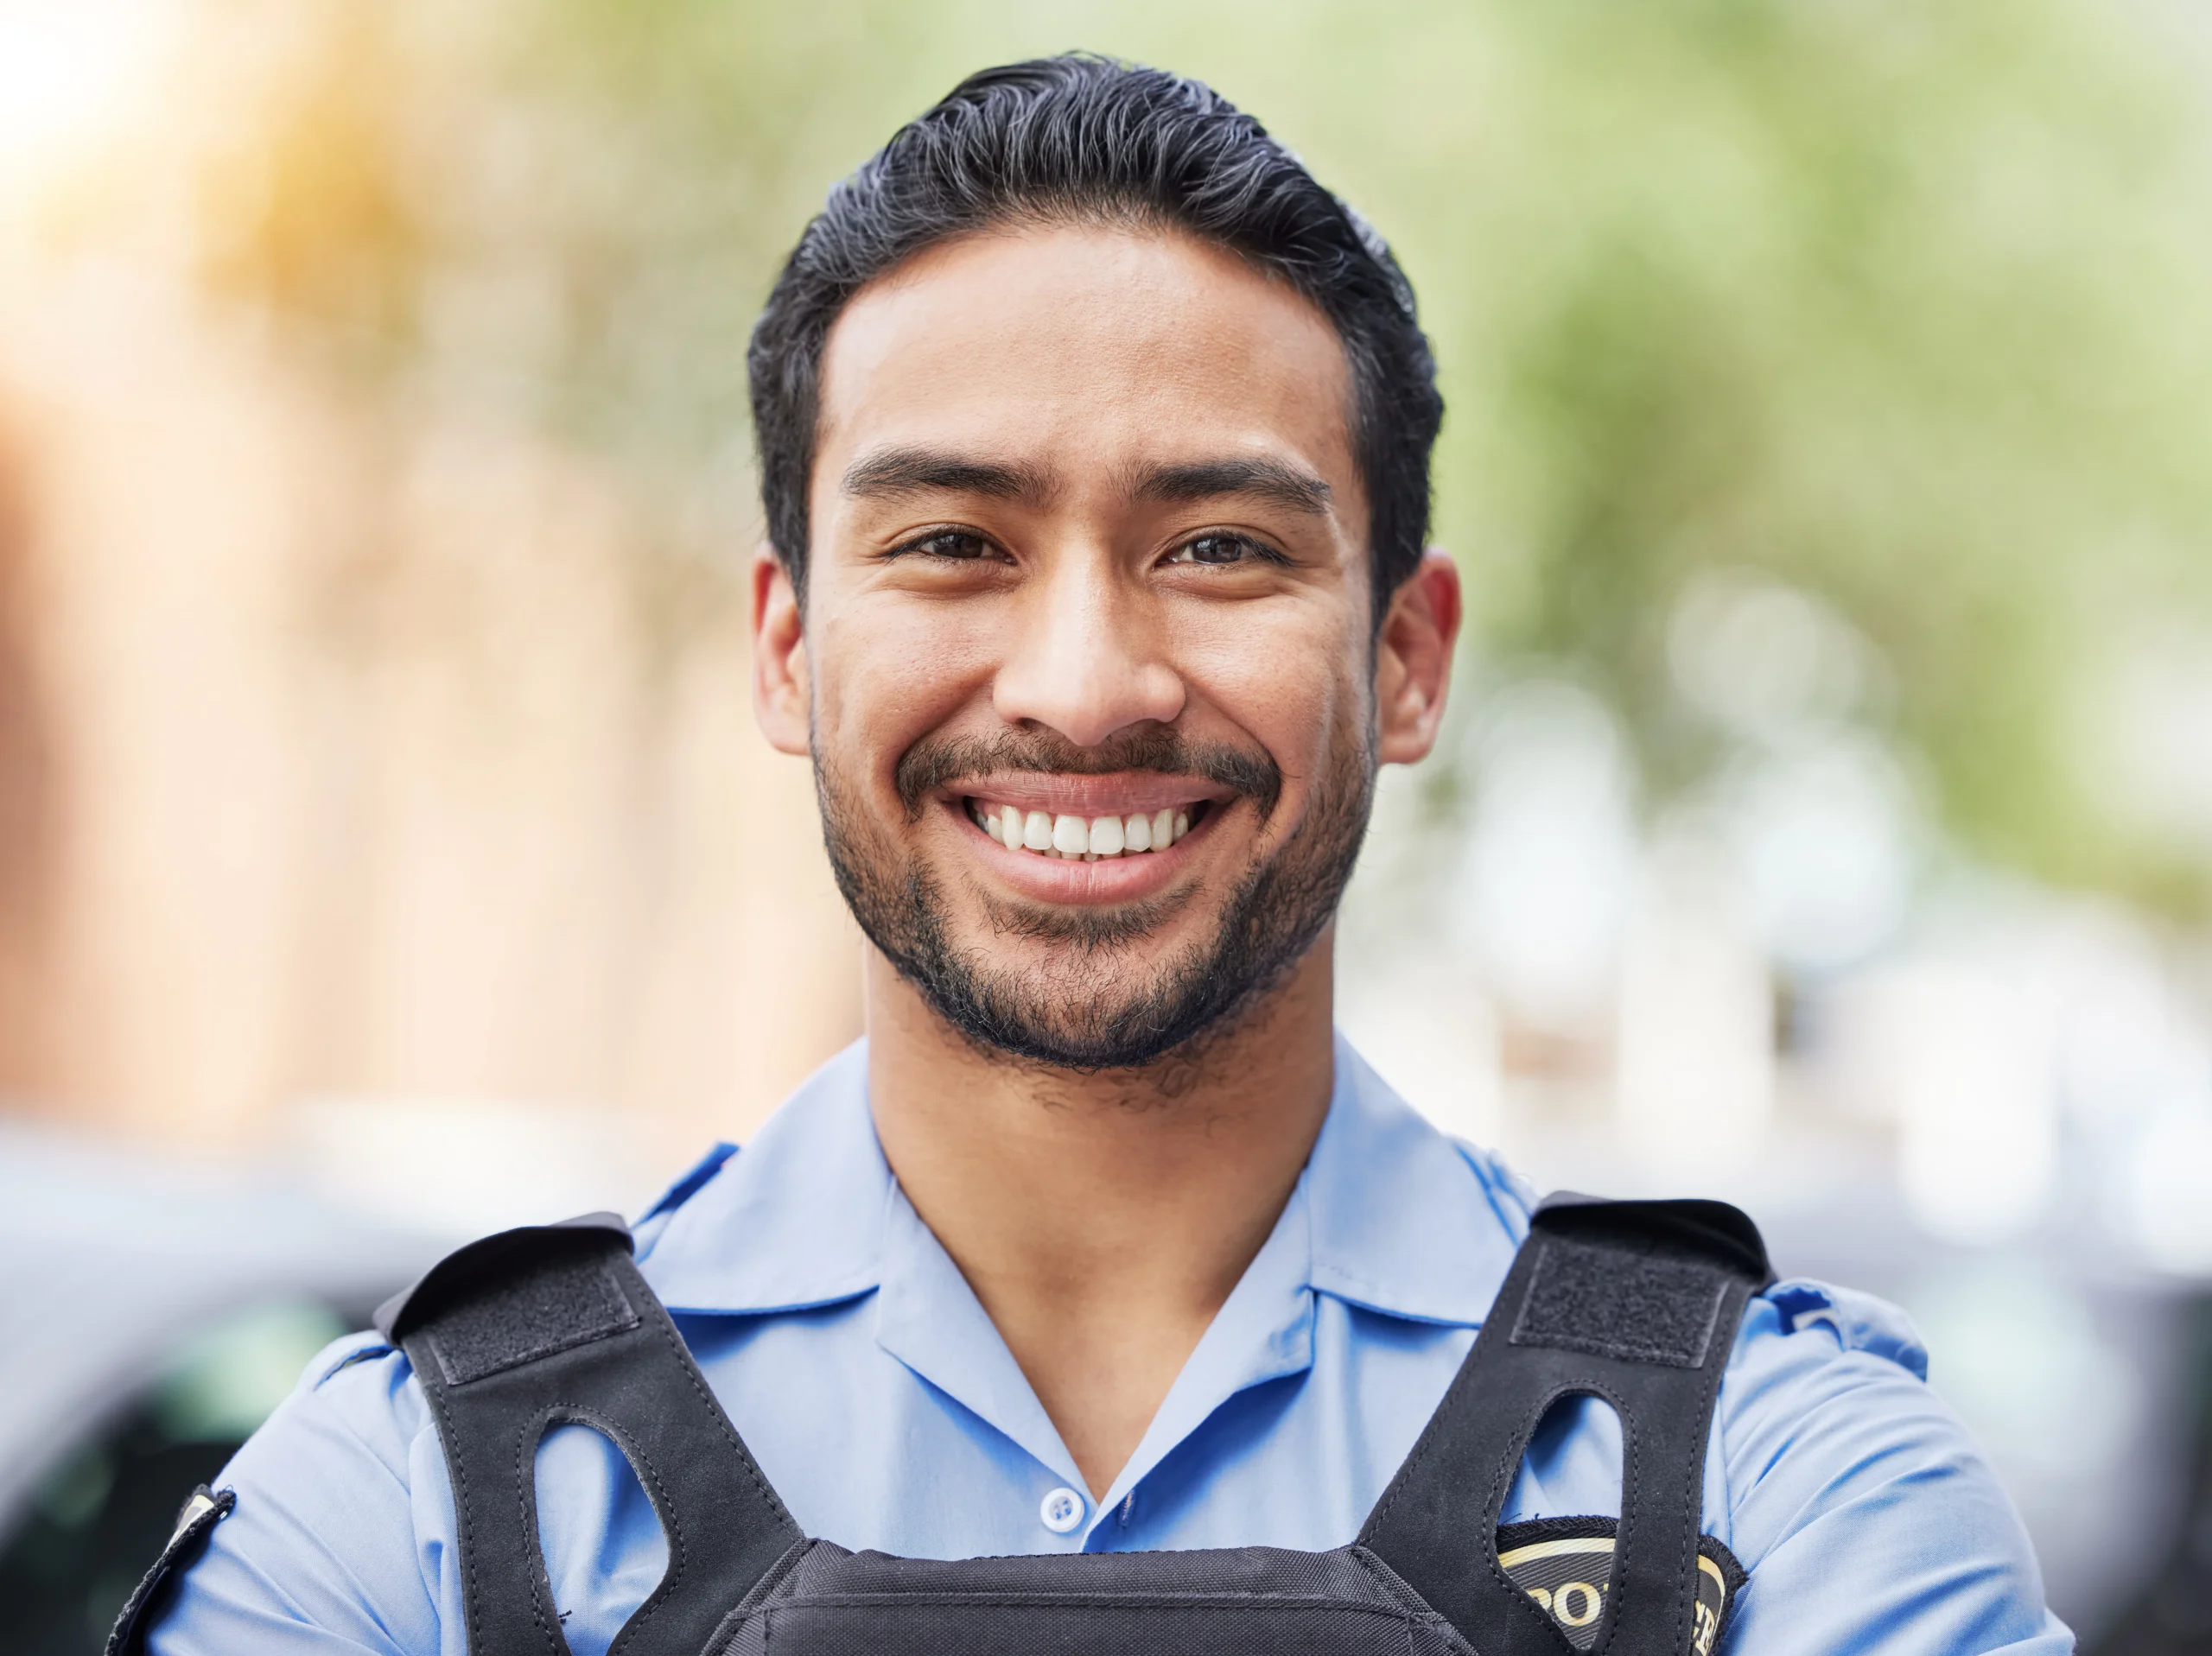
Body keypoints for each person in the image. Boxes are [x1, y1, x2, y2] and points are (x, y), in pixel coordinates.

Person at [135, 54, 2068, 1655]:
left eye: (1218, 547)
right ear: (786, 647)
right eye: (952, 543)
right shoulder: (407, 1520)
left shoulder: (1783, 1492)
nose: (1080, 684)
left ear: (1403, 655)